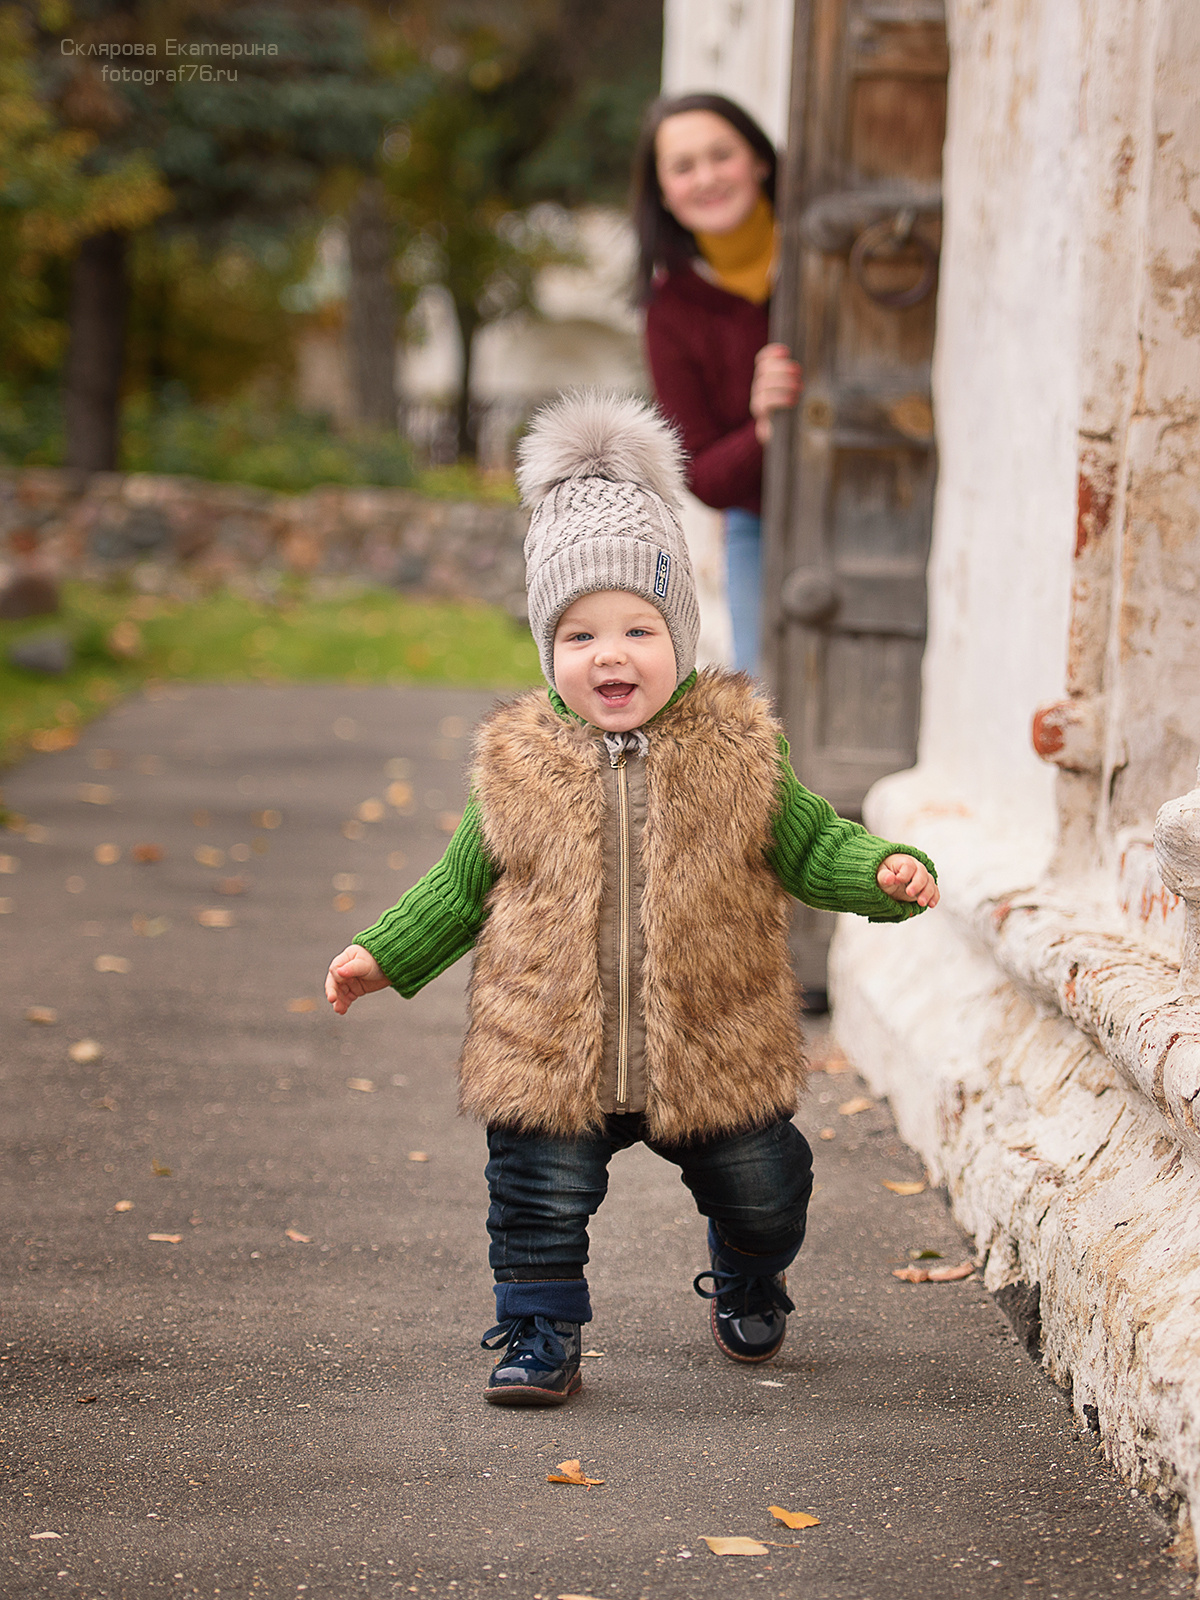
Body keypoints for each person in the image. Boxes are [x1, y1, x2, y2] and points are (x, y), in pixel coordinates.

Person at [324, 391, 938, 1409]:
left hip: (715, 1038)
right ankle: (537, 1328)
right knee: (534, 1193)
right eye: (579, 633)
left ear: (681, 633)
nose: (610, 654)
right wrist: (381, 955)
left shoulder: (741, 752)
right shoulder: (516, 768)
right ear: (547, 649)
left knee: (766, 1187)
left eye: (638, 627)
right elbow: (458, 885)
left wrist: (880, 873)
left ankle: (749, 1261)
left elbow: (813, 843)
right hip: (548, 1043)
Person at [634, 92, 802, 675]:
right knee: (769, 715)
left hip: (879, 499)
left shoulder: (826, 256)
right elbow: (701, 472)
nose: (706, 177)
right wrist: (761, 429)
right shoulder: (672, 312)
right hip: (761, 527)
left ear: (759, 160)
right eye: (683, 167)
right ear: (663, 194)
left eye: (720, 155)